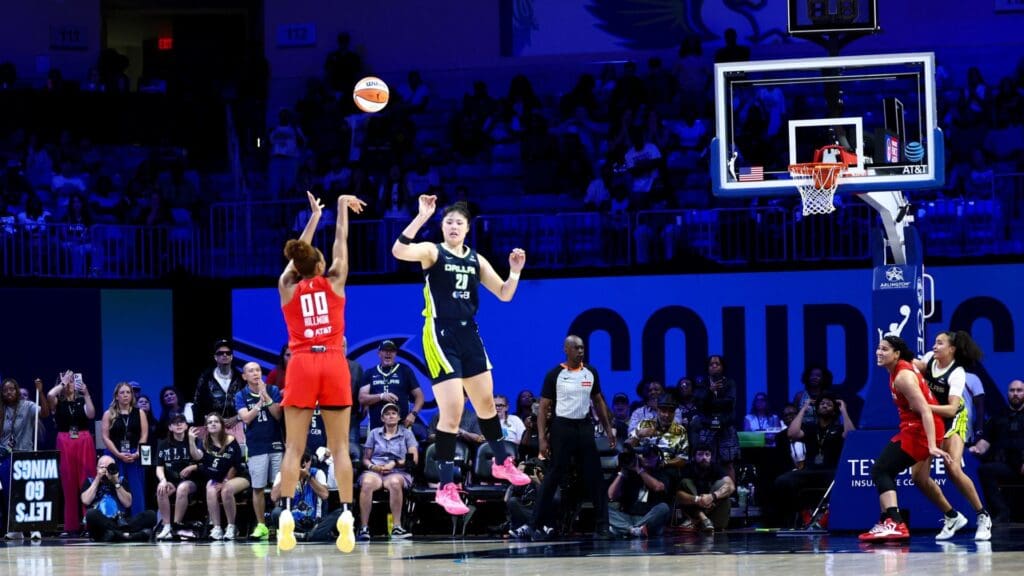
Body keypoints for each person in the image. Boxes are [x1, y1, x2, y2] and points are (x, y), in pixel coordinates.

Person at [391, 195, 531, 517]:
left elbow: (505, 295)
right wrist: (421, 217)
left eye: (459, 222)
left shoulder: (476, 260)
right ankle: (445, 486)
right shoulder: (432, 251)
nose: (454, 226)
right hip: (440, 332)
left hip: (470, 333)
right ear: (442, 227)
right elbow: (399, 251)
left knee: (485, 403)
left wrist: (515, 272)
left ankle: (501, 462)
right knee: (452, 411)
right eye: (449, 222)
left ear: (468, 229)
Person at [276, 191, 366, 552]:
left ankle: (284, 515)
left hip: (300, 362)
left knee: (294, 447)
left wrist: (313, 219)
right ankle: (346, 515)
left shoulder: (286, 287)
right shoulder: (335, 280)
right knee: (340, 446)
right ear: (319, 265)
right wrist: (341, 207)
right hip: (332, 361)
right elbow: (341, 240)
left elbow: (298, 257)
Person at [511, 335, 616, 540]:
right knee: (553, 477)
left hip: (584, 426)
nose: (581, 351)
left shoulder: (591, 372)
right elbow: (543, 409)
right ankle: (535, 524)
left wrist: (608, 428)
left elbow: (598, 402)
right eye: (576, 348)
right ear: (566, 350)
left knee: (595, 476)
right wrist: (542, 438)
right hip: (562, 427)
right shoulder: (554, 374)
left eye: (582, 348)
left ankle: (603, 526)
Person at [859, 335, 955, 543]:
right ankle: (887, 521)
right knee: (885, 470)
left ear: (896, 354)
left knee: (881, 469)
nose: (879, 352)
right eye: (878, 348)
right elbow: (926, 367)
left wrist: (931, 445)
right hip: (912, 428)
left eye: (885, 349)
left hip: (921, 430)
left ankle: (895, 523)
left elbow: (926, 412)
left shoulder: (903, 377)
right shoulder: (908, 365)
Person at [913, 330, 991, 540]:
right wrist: (896, 355)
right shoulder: (930, 359)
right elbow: (913, 366)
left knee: (953, 468)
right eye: (934, 342)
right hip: (931, 417)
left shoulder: (957, 373)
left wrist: (923, 406)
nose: (934, 346)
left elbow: (950, 409)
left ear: (952, 349)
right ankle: (951, 516)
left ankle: (983, 516)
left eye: (939, 343)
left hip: (954, 417)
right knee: (918, 477)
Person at [234, 361, 284, 540]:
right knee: (258, 487)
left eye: (258, 370)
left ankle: (279, 525)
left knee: (278, 486)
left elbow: (278, 415)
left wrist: (266, 397)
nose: (255, 373)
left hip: (276, 444)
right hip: (256, 447)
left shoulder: (273, 390)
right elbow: (246, 419)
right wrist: (258, 404)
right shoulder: (241, 395)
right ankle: (261, 525)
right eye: (250, 371)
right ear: (244, 376)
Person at [356, 403, 418, 540]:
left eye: (393, 413)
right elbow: (366, 459)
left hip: (398, 470)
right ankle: (364, 528)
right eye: (387, 414)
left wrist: (394, 463)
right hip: (376, 469)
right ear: (382, 418)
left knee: (395, 482)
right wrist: (373, 467)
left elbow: (413, 460)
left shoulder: (406, 434)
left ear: (399, 417)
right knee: (366, 483)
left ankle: (397, 527)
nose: (391, 416)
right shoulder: (374, 433)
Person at [47, 370, 96, 537]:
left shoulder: (82, 400)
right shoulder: (57, 403)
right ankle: (71, 526)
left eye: (71, 381)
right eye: (67, 381)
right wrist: (62, 383)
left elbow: (91, 414)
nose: (70, 384)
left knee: (86, 481)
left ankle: (88, 524)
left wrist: (87, 393)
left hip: (84, 441)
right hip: (65, 440)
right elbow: (49, 394)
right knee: (68, 484)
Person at [969, 379, 1024, 524]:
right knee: (985, 470)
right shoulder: (998, 416)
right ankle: (1001, 512)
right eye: (1012, 391)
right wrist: (977, 448)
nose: (1015, 394)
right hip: (1007, 466)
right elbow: (985, 441)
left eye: (1019, 390)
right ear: (1008, 394)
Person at [1, 377, 49, 539]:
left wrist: (40, 391)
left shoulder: (27, 406)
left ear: (17, 390)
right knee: (10, 494)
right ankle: (17, 529)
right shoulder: (1, 410)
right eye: (5, 390)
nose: (8, 392)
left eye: (11, 389)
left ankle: (34, 527)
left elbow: (45, 412)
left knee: (28, 493)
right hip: (7, 457)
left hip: (25, 455)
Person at [188, 413, 249, 541]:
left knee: (226, 490)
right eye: (210, 422)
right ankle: (217, 527)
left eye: (216, 421)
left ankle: (232, 526)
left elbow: (236, 465)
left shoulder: (231, 440)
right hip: (217, 477)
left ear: (222, 425)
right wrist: (191, 441)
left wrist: (226, 481)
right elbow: (197, 457)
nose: (213, 424)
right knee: (210, 488)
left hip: (238, 476)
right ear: (206, 427)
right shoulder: (204, 443)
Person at [81, 455, 157, 542]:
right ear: (97, 468)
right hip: (101, 522)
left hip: (121, 522)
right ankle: (129, 536)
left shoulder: (121, 480)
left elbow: (127, 503)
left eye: (109, 467)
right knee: (90, 514)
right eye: (102, 467)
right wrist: (98, 479)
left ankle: (115, 535)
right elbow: (86, 501)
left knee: (151, 515)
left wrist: (116, 482)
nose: (106, 470)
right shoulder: (90, 481)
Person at [100, 381, 148, 516]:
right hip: (115, 454)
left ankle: (138, 519)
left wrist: (138, 452)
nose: (125, 395)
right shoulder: (108, 414)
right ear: (116, 396)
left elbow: (144, 435)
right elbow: (105, 437)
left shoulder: (140, 413)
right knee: (117, 485)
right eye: (122, 393)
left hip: (134, 454)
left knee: (136, 488)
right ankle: (117, 518)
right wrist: (118, 454)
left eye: (128, 392)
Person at [358, 339, 425, 433]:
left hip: (401, 427)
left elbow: (420, 397)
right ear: (379, 353)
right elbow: (362, 398)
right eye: (385, 350)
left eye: (391, 351)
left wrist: (413, 414)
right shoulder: (370, 373)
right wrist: (381, 396)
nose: (388, 353)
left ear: (395, 354)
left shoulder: (405, 371)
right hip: (376, 429)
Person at [608, 444, 673, 539]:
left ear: (657, 458)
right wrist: (622, 472)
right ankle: (633, 530)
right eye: (643, 456)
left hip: (649, 519)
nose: (646, 459)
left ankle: (626, 530)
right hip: (628, 517)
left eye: (650, 457)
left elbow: (658, 487)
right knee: (603, 509)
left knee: (664, 508)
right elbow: (611, 495)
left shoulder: (661, 473)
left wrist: (640, 470)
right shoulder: (627, 471)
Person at [154, 412, 201, 540]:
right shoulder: (163, 444)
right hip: (172, 481)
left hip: (191, 482)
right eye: (175, 422)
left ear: (186, 425)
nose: (179, 424)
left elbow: (200, 459)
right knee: (161, 489)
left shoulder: (195, 440)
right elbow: (159, 467)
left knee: (182, 488)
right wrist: (163, 480)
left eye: (181, 422)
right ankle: (167, 526)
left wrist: (192, 466)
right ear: (170, 427)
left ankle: (176, 525)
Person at [676, 443, 735, 532]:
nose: (704, 457)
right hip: (693, 510)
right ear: (694, 457)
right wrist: (698, 499)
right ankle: (701, 517)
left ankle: (699, 520)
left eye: (707, 454)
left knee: (723, 485)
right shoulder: (688, 468)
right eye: (700, 454)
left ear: (711, 457)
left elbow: (731, 486)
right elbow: (678, 496)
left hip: (712, 510)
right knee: (685, 483)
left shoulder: (716, 467)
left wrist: (712, 496)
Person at [193, 339, 245, 439]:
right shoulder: (206, 377)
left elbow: (248, 401)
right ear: (215, 357)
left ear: (232, 357)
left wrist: (237, 417)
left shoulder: (240, 377)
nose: (224, 355)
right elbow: (197, 403)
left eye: (228, 353)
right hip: (211, 427)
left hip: (235, 425)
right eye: (220, 353)